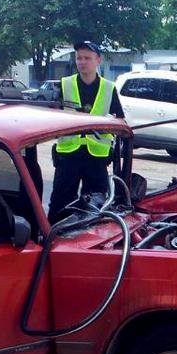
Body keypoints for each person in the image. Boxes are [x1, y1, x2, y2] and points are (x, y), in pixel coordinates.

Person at [46, 40, 124, 222]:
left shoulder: (108, 88)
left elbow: (120, 120)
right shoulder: (65, 84)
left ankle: (88, 245)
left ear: (98, 60)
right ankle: (52, 241)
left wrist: (108, 124)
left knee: (95, 206)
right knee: (60, 204)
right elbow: (52, 117)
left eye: (87, 58)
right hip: (68, 155)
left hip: (96, 157)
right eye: (79, 58)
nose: (82, 62)